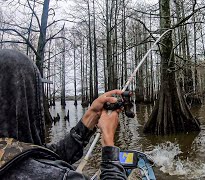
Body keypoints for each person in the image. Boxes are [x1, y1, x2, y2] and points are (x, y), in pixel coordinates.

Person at [0, 49, 127, 180]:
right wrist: (108, 140)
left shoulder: (9, 150)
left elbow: (49, 156)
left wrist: (90, 117)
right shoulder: (55, 176)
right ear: (26, 99)